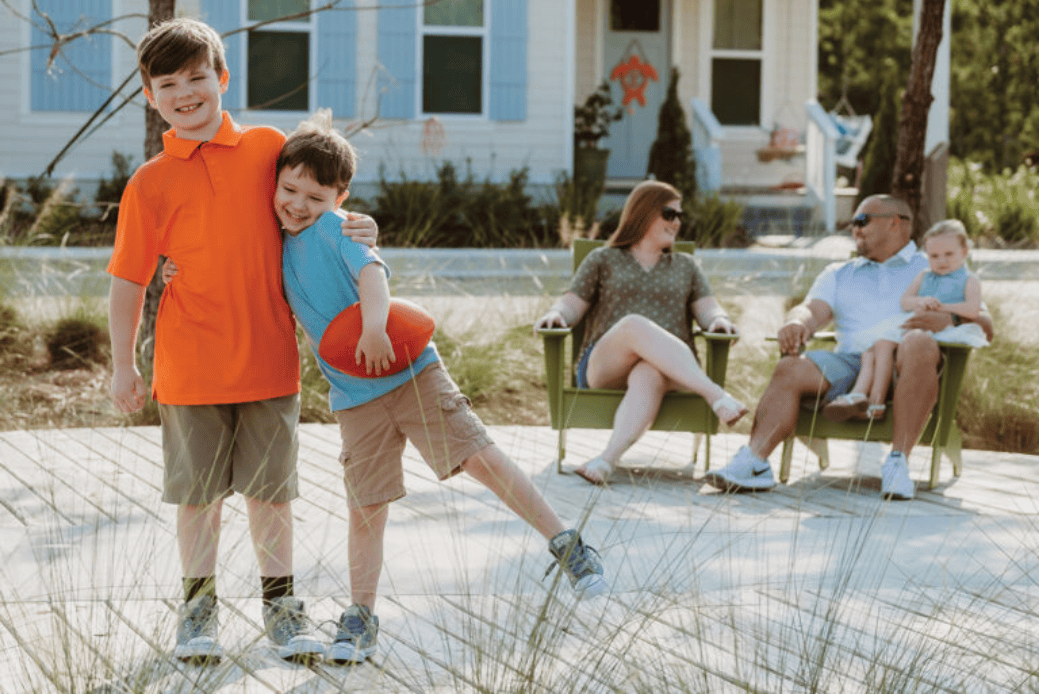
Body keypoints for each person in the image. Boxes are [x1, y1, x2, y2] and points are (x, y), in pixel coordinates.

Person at [260, 112, 608, 664]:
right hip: (355, 395)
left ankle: (567, 543)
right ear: (275, 184)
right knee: (366, 506)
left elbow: (373, 274)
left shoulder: (337, 229)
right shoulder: (273, 241)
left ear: (340, 196)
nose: (298, 204)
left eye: (316, 195)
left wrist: (374, 327)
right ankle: (360, 617)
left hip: (412, 371)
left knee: (479, 457)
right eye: (289, 189)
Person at [107, 18, 379, 664]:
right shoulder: (149, 181)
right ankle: (197, 614)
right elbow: (126, 278)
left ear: (221, 78)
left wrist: (357, 220)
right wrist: (122, 363)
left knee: (271, 497)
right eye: (167, 83)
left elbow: (313, 202)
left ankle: (283, 611)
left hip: (268, 362)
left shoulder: (267, 148)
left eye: (197, 77)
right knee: (197, 499)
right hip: (188, 365)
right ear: (151, 96)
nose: (185, 92)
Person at [705, 195, 993, 501]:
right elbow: (811, 311)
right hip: (850, 365)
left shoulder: (935, 264)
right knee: (790, 367)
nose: (853, 229)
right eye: (852, 224)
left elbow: (985, 323)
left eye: (861, 221)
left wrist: (948, 317)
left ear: (894, 223)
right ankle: (755, 463)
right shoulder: (839, 273)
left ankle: (897, 463)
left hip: (909, 364)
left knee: (919, 342)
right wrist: (796, 322)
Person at [533, 181, 746, 486]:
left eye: (679, 216)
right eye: (669, 213)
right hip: (607, 365)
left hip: (670, 369)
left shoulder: (685, 266)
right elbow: (570, 304)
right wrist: (555, 315)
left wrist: (720, 321)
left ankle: (605, 461)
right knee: (634, 325)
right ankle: (716, 396)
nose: (676, 222)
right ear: (644, 212)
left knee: (649, 373)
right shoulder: (602, 259)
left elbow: (710, 310)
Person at [822, 218, 986, 423]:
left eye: (949, 254)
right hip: (913, 324)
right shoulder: (924, 275)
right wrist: (920, 300)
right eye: (934, 256)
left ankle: (875, 402)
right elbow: (905, 301)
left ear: (964, 252)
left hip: (940, 332)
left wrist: (940, 307)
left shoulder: (968, 280)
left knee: (881, 346)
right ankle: (858, 395)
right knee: (869, 353)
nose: (942, 261)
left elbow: (972, 309)